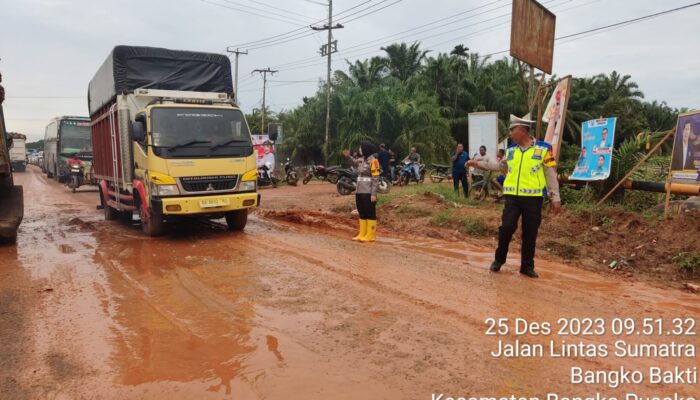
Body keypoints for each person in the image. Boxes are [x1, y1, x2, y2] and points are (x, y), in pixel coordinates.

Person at [467, 114, 561, 279]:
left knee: (530, 233)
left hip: (533, 199)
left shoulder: (544, 149)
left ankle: (527, 266)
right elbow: (498, 166)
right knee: (506, 228)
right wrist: (477, 163)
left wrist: (555, 197)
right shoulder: (510, 151)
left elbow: (551, 174)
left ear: (523, 130)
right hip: (512, 198)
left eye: (512, 130)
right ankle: (499, 259)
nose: (510, 133)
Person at [342, 141, 381, 242]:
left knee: (370, 213)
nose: (359, 149)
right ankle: (362, 233)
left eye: (361, 147)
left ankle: (370, 235)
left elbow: (375, 179)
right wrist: (348, 156)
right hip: (359, 190)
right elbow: (353, 162)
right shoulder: (361, 160)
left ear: (366, 149)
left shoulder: (374, 161)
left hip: (368, 191)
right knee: (362, 212)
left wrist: (373, 194)